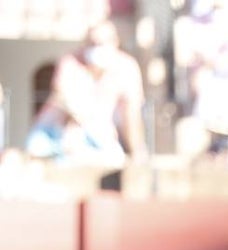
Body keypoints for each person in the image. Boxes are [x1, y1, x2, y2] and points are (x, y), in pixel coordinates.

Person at [25, 20, 147, 165]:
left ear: (115, 42)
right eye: (91, 43)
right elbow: (64, 101)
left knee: (112, 157)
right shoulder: (71, 62)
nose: (96, 48)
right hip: (58, 131)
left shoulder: (126, 67)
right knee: (37, 148)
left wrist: (137, 150)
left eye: (101, 43)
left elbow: (131, 113)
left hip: (101, 135)